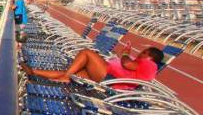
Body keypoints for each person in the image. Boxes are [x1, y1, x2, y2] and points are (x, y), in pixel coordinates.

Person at [22, 44, 164, 86]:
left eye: (144, 52)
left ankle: (65, 77)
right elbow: (126, 66)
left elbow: (126, 64)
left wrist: (126, 53)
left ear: (150, 56)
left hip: (111, 80)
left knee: (86, 53)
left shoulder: (150, 65)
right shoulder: (143, 64)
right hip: (109, 75)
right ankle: (33, 71)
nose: (140, 54)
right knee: (74, 72)